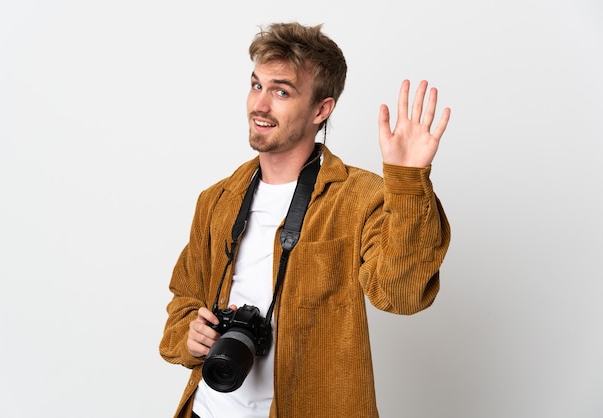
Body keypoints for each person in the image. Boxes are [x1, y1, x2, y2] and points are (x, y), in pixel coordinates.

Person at [159, 22, 451, 418]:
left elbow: (401, 296)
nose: (259, 105)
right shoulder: (217, 200)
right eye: (256, 85)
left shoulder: (361, 197)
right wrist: (190, 335)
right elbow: (183, 301)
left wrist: (407, 181)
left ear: (321, 109)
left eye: (281, 91)